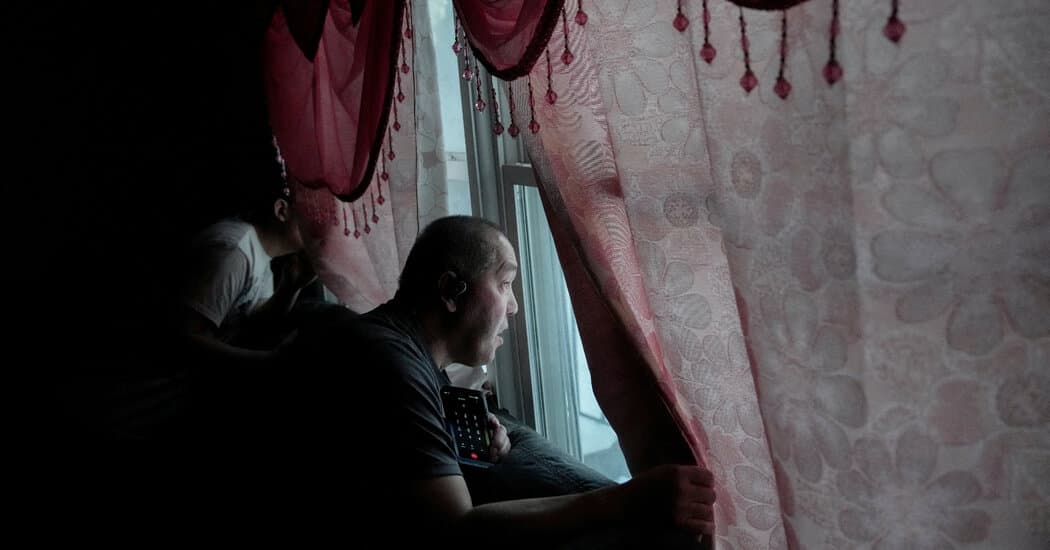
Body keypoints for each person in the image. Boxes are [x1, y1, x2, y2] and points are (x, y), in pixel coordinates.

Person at [296, 216, 716, 547]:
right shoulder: (392, 364)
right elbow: (457, 528)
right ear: (450, 290)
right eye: (503, 284)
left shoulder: (396, 344)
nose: (513, 306)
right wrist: (624, 500)